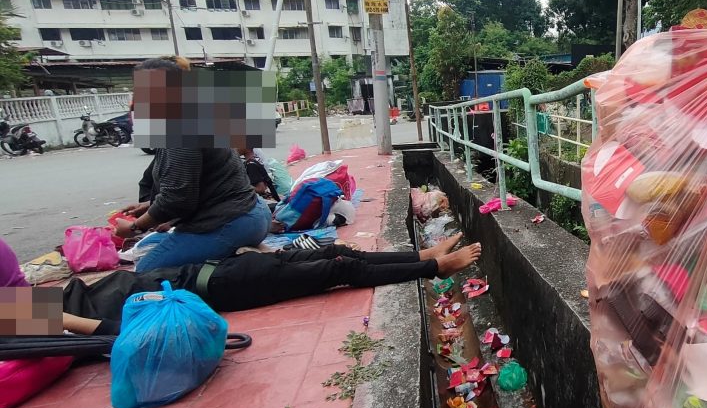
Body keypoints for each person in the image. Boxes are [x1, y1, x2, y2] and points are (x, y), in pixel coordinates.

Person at [62, 234, 481, 335]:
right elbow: (107, 331)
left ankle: (421, 256)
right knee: (338, 268)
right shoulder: (31, 315)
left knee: (334, 250)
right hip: (218, 284)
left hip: (214, 269)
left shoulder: (38, 302)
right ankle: (435, 269)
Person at [115, 57, 271, 271]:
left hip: (232, 222)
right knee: (151, 249)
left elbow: (178, 200)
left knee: (145, 273)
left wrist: (133, 227)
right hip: (249, 214)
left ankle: (244, 263)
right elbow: (197, 187)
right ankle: (240, 256)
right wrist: (149, 207)